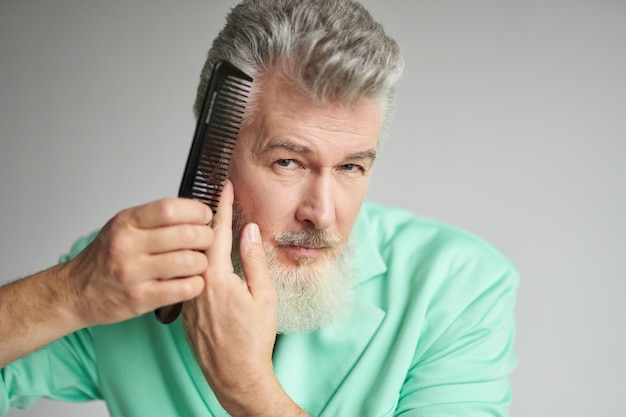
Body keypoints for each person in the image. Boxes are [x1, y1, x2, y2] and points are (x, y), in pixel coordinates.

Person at [0, 0, 518, 415]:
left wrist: (249, 391)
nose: (322, 213)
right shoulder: (119, 278)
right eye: (289, 162)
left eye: (351, 168)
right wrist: (64, 293)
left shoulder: (459, 285)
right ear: (215, 155)